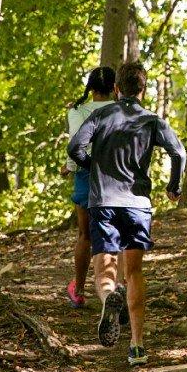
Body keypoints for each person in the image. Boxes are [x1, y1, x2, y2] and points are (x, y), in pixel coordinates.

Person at [67, 62, 186, 365]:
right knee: (133, 273)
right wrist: (173, 187)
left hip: (103, 202)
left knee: (104, 268)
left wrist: (91, 165)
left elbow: (75, 147)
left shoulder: (101, 114)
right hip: (137, 205)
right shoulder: (151, 120)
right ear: (142, 89)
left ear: (117, 89)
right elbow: (179, 153)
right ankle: (137, 346)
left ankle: (109, 298)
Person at [61, 66, 117, 309]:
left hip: (86, 172)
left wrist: (71, 168)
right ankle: (116, 290)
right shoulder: (121, 110)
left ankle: (80, 291)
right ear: (114, 88)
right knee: (115, 234)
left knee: (85, 234)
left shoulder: (77, 111)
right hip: (116, 174)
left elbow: (76, 142)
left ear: (91, 88)